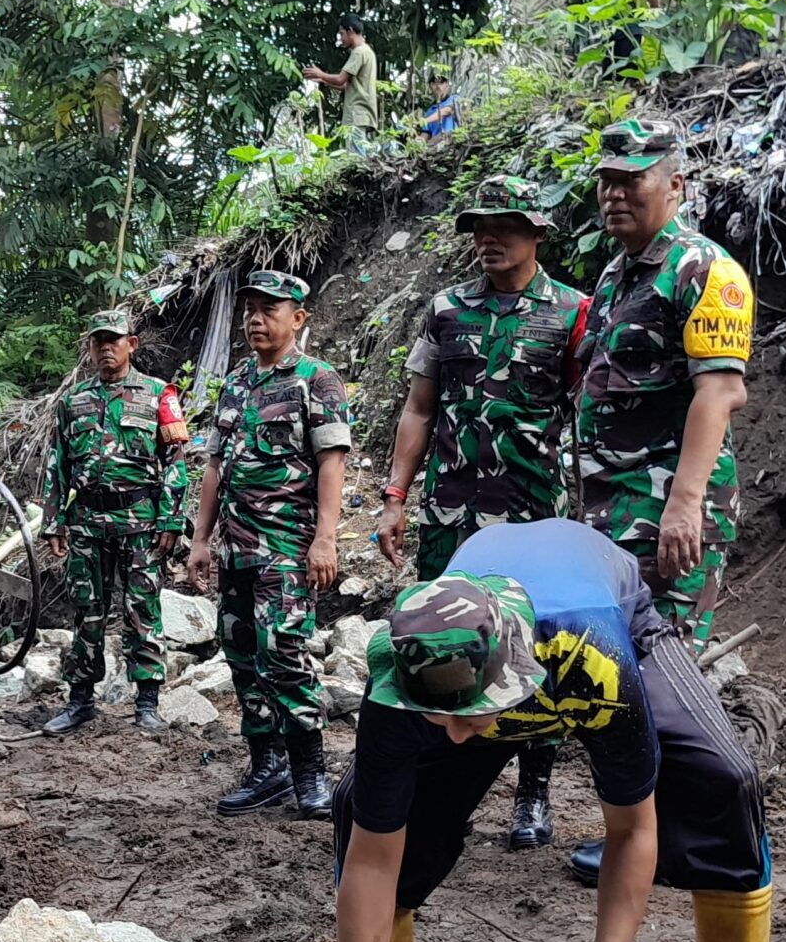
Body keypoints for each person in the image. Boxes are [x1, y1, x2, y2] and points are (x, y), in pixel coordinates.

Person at [333, 520, 778, 942]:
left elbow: (631, 828)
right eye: (445, 721)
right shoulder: (400, 677)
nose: (462, 738)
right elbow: (371, 858)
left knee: (724, 781)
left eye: (472, 718)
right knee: (365, 805)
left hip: (596, 616)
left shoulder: (593, 658)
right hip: (478, 656)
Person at [564, 118, 756, 887]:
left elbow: (720, 391)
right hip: (612, 511)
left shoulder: (705, 269)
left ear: (675, 184)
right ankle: (645, 830)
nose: (616, 192)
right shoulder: (616, 277)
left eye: (633, 178)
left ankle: (695, 833)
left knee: (667, 666)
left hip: (666, 509)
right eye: (607, 179)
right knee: (629, 673)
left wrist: (686, 504)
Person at [375, 174, 587, 849]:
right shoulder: (446, 309)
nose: (488, 237)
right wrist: (395, 498)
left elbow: (588, 413)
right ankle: (444, 782)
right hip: (450, 515)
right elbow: (418, 407)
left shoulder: (573, 312)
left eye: (504, 225)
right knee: (443, 638)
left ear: (537, 233)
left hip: (532, 515)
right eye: (478, 226)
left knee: (534, 641)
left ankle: (534, 789)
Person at [187, 271, 352, 819]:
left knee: (285, 653)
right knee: (241, 655)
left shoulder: (317, 379)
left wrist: (325, 540)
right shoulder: (235, 383)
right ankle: (268, 766)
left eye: (269, 309)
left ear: (298, 318)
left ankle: (310, 773)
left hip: (285, 546)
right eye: (250, 309)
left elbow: (332, 462)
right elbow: (215, 466)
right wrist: (200, 538)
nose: (256, 319)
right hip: (234, 550)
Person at [41, 312, 192, 736]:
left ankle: (147, 702)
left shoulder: (159, 395)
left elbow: (176, 462)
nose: (106, 348)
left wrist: (171, 519)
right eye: (98, 341)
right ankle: (81, 700)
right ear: (89, 348)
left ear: (132, 344)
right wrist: (54, 521)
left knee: (142, 610)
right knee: (87, 611)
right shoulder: (72, 403)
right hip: (88, 522)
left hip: (141, 521)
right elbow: (58, 466)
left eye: (115, 340)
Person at [302, 15, 381, 148]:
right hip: (364, 114)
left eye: (342, 33)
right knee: (361, 151)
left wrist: (320, 73)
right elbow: (346, 85)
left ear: (350, 31)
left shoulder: (359, 52)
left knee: (356, 156)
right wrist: (323, 80)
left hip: (357, 113)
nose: (341, 38)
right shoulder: (368, 52)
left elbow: (340, 79)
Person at [421, 76, 459, 140]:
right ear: (430, 86)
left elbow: (446, 111)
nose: (438, 86)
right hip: (436, 145)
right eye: (434, 83)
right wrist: (421, 139)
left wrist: (424, 121)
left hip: (454, 141)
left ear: (447, 85)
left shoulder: (455, 99)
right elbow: (426, 132)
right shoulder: (430, 111)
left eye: (441, 83)